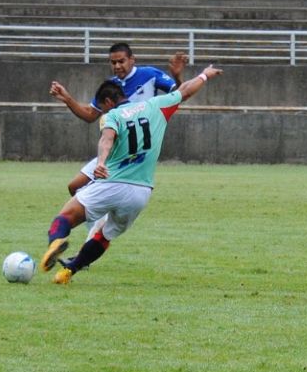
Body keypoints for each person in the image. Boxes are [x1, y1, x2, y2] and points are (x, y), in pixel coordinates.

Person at [40, 64, 223, 284]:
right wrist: (204, 75)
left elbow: (106, 139)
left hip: (112, 182)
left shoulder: (113, 116)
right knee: (105, 236)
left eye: (102, 107)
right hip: (141, 192)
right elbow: (185, 90)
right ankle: (69, 272)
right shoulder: (156, 105)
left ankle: (55, 243)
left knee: (65, 217)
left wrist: (100, 162)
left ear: (108, 103)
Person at [49, 42, 187, 196]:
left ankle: (103, 214)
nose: (117, 66)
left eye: (121, 61)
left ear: (132, 59)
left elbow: (180, 95)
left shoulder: (149, 74)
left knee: (107, 192)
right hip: (116, 148)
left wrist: (177, 76)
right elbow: (90, 115)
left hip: (137, 149)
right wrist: (67, 99)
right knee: (74, 187)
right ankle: (100, 216)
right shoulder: (111, 86)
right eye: (113, 62)